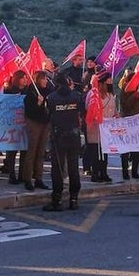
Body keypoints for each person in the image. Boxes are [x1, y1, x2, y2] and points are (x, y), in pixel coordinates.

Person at [43, 73, 84, 212]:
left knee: (58, 170)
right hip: (74, 135)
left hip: (58, 137)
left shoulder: (51, 98)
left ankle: (57, 200)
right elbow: (82, 111)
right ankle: (74, 200)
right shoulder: (77, 96)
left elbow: (46, 115)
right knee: (73, 169)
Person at [22, 70, 52, 191]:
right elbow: (29, 111)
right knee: (32, 152)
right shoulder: (31, 93)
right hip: (34, 123)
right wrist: (38, 103)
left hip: (45, 123)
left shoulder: (47, 92)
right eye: (43, 79)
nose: (46, 81)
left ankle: (38, 178)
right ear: (38, 80)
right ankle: (27, 179)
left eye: (46, 79)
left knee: (41, 153)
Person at [85, 72, 116, 183]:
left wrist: (115, 115)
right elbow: (88, 108)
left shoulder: (111, 95)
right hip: (95, 127)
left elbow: (114, 109)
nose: (111, 80)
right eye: (108, 79)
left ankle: (104, 172)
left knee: (105, 151)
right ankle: (95, 173)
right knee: (96, 151)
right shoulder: (93, 94)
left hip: (107, 128)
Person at [0, 70, 29, 184]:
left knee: (24, 151)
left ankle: (22, 175)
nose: (25, 80)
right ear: (17, 79)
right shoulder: (8, 91)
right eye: (23, 78)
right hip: (11, 125)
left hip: (24, 125)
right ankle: (12, 176)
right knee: (11, 152)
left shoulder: (28, 91)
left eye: (26, 78)